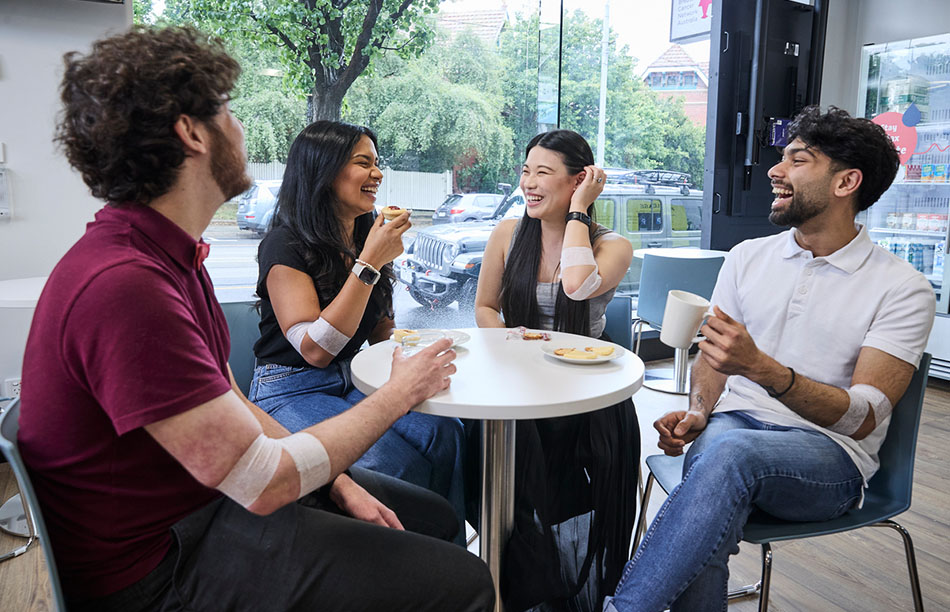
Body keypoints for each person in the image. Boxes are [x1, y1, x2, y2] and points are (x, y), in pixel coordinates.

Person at [18, 26, 493, 612]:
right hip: (159, 566)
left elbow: (235, 403)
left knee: (435, 516)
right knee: (465, 582)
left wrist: (336, 480)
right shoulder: (126, 287)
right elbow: (263, 481)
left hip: (199, 504)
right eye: (229, 112)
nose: (242, 129)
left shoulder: (170, 258)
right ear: (191, 133)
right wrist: (400, 393)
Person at [607, 106, 936, 612]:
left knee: (728, 460)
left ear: (847, 181)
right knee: (718, 496)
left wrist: (763, 369)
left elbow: (863, 416)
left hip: (829, 459)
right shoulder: (747, 257)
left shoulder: (903, 288)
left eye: (798, 160)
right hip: (730, 432)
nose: (774, 171)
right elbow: (714, 359)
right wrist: (698, 410)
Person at [248, 120, 466, 534]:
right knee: (386, 463)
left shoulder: (365, 234)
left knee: (445, 432)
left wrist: (414, 355)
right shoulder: (284, 244)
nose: (378, 174)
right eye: (363, 162)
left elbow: (381, 329)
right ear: (323, 171)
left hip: (352, 380)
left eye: (377, 163)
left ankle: (448, 559)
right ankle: (398, 572)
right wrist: (369, 264)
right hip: (288, 385)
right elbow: (315, 349)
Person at [474, 129, 639, 612]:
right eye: (526, 170)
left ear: (579, 182)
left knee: (562, 476)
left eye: (544, 172)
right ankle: (516, 582)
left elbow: (577, 283)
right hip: (521, 384)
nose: (529, 182)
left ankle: (558, 586)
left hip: (587, 394)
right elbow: (485, 307)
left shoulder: (614, 246)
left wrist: (577, 215)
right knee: (484, 450)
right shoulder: (507, 234)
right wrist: (512, 340)